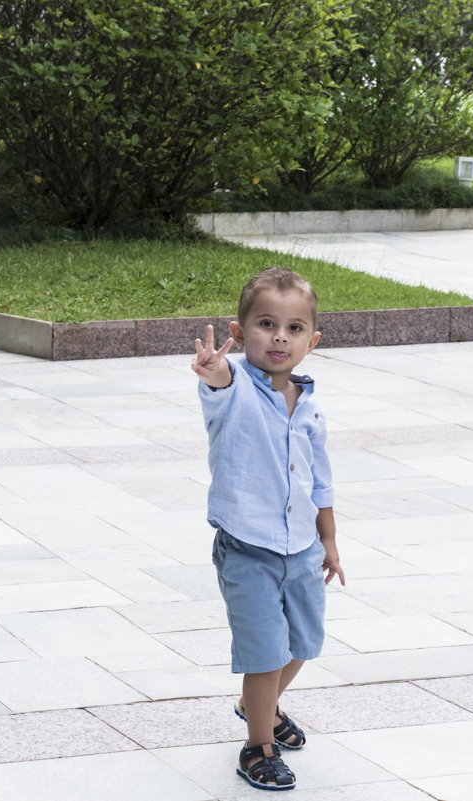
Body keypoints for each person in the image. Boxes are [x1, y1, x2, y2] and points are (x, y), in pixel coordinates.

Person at [192, 266, 345, 792]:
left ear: (313, 340)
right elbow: (221, 382)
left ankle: (256, 707)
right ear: (238, 334)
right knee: (264, 652)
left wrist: (329, 541)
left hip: (301, 548)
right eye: (265, 324)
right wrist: (214, 371)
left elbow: (319, 480)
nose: (280, 336)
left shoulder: (311, 405)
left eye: (295, 327)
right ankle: (258, 746)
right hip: (248, 550)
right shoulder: (234, 388)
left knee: (303, 643)